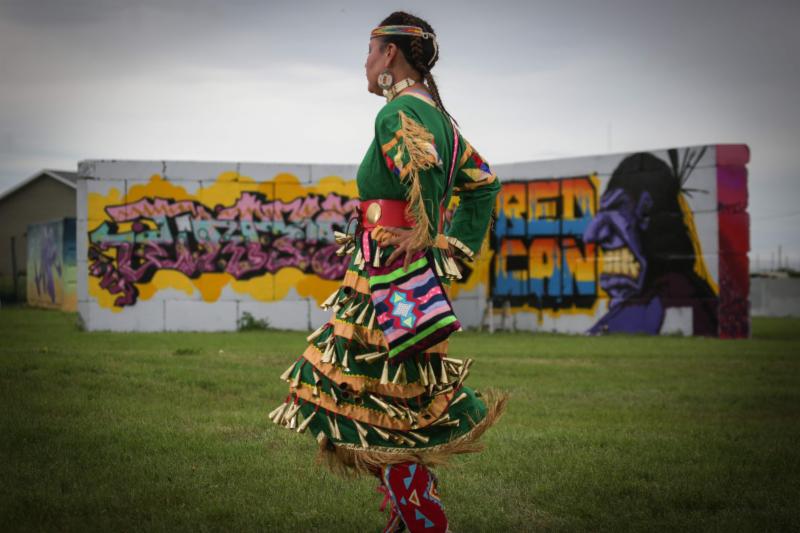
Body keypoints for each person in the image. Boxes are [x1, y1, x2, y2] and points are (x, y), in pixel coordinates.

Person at [268, 11, 506, 532]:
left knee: (374, 399)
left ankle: (426, 521)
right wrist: (450, 245)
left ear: (390, 54)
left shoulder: (398, 113)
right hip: (409, 276)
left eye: (370, 51)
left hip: (389, 276)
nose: (365, 62)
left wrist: (423, 233)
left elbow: (420, 172)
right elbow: (484, 182)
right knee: (395, 396)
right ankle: (410, 515)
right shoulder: (442, 121)